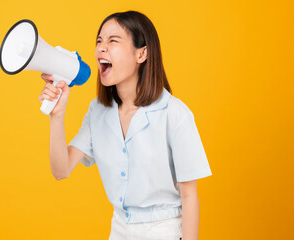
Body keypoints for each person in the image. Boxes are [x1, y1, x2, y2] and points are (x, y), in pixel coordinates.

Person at [38, 10, 212, 240]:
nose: (101, 48)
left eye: (113, 41)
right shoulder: (98, 111)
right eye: (99, 41)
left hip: (164, 232)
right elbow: (61, 170)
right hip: (119, 231)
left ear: (142, 54)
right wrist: (57, 116)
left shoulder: (174, 114)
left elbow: (190, 196)